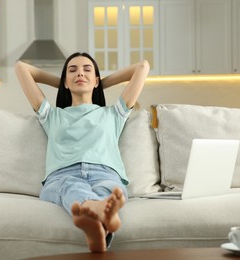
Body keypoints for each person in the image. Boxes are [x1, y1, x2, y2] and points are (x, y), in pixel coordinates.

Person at [14, 52, 149, 252]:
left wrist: (98, 82)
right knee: (71, 185)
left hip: (105, 174)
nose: (80, 73)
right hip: (61, 177)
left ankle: (95, 223)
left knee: (110, 190)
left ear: (96, 80)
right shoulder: (52, 115)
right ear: (65, 83)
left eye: (87, 70)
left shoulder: (113, 114)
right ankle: (99, 212)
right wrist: (65, 81)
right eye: (73, 70)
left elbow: (142, 67)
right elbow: (20, 67)